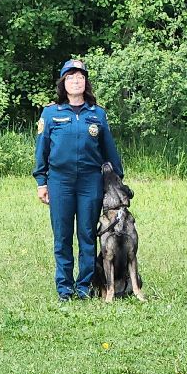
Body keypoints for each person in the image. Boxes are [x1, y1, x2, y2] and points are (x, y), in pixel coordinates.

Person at [33, 58, 124, 301]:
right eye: (71, 77)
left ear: (86, 82)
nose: (76, 81)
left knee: (86, 234)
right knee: (62, 236)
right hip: (60, 182)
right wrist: (41, 181)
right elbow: (41, 150)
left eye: (81, 77)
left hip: (89, 183)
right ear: (64, 82)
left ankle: (84, 287)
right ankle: (64, 288)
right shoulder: (51, 113)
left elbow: (110, 153)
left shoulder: (97, 114)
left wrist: (117, 185)